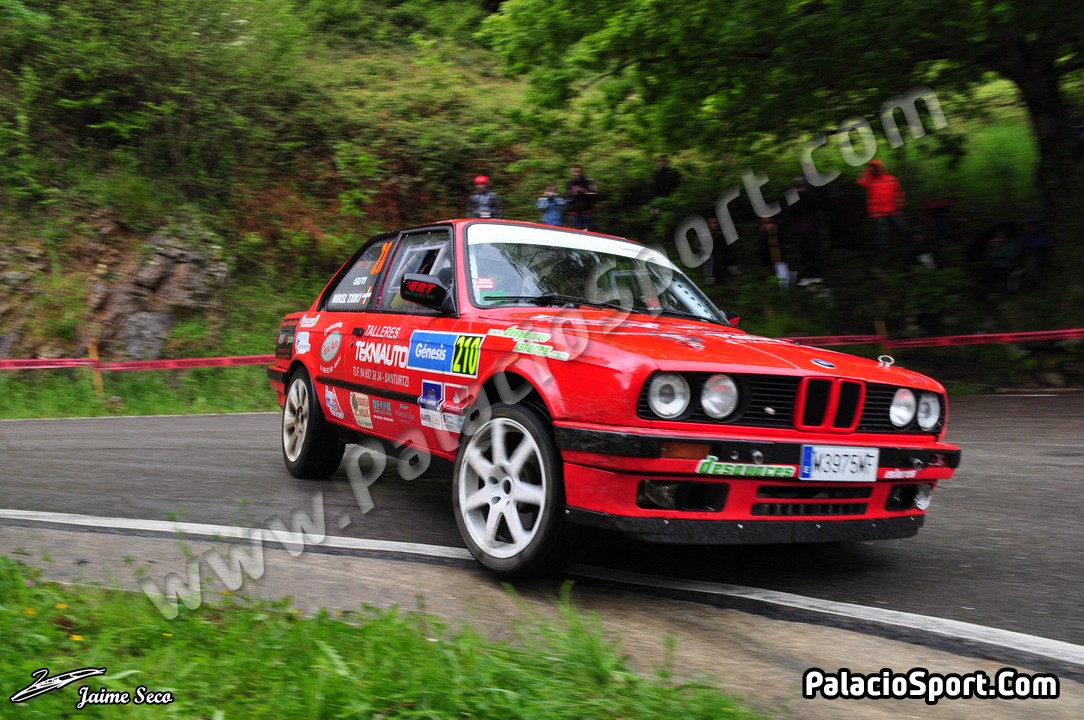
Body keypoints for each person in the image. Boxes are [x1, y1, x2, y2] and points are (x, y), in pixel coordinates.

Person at [856, 160, 907, 252]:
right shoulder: (870, 180)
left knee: (902, 229)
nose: (873, 169)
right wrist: (867, 170)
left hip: (894, 211)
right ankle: (884, 254)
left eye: (874, 167)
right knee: (883, 233)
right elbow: (860, 181)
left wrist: (901, 205)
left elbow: (899, 193)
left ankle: (908, 249)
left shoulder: (891, 179)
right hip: (878, 213)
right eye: (871, 168)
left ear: (880, 168)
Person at [784, 177, 822, 284]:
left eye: (800, 186)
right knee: (803, 254)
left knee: (813, 253)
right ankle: (807, 275)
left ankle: (815, 275)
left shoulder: (810, 196)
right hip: (799, 230)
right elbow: (788, 212)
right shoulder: (792, 198)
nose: (798, 189)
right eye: (796, 186)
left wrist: (804, 195)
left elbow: (816, 206)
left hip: (810, 230)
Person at [565, 165, 599, 230]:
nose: (576, 174)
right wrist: (571, 195)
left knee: (588, 232)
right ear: (571, 173)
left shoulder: (587, 181)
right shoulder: (569, 183)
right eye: (574, 172)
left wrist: (584, 192)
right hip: (574, 213)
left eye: (578, 172)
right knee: (576, 232)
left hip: (586, 212)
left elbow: (595, 194)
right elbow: (566, 198)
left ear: (581, 172)